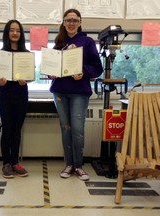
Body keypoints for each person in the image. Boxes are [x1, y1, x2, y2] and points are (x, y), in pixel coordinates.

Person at [49, 9, 103, 181]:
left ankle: (79, 166)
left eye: (75, 20)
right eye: (68, 20)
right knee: (66, 129)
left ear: (80, 23)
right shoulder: (58, 42)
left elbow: (98, 68)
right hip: (60, 91)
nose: (71, 23)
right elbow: (51, 66)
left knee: (78, 130)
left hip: (79, 92)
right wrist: (51, 72)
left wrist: (83, 72)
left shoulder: (87, 42)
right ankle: (69, 164)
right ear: (63, 23)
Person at [0, 20, 29, 178]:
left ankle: (15, 162)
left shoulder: (26, 55)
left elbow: (30, 76)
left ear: (21, 34)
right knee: (7, 129)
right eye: (11, 30)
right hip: (6, 95)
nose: (15, 33)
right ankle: (6, 163)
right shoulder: (1, 55)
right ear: (7, 33)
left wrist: (27, 80)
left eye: (18, 30)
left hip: (21, 95)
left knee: (17, 131)